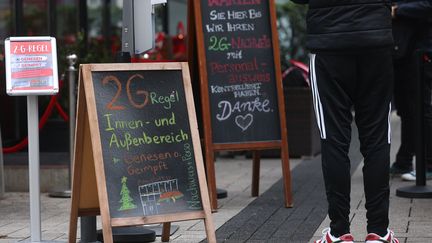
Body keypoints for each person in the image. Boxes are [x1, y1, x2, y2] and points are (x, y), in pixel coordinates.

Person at [290, 0, 399, 242]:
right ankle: (378, 231)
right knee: (377, 138)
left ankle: (339, 232)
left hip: (329, 42)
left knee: (334, 139)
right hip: (374, 40)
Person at [390, 0, 432, 181]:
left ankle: (428, 165)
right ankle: (404, 160)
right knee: (408, 109)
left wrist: (398, 10)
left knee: (422, 108)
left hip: (421, 49)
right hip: (404, 51)